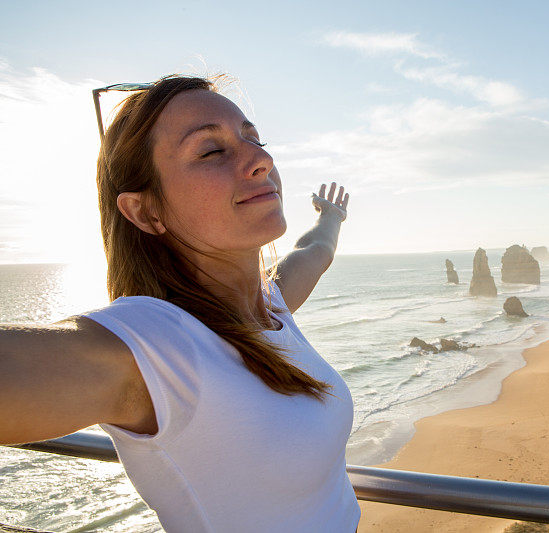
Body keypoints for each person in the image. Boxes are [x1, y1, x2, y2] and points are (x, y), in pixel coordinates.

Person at [0, 74, 361, 532]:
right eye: (211, 151)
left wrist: (332, 216)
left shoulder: (266, 307)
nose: (262, 160)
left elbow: (314, 253)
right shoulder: (157, 347)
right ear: (146, 212)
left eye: (254, 138)